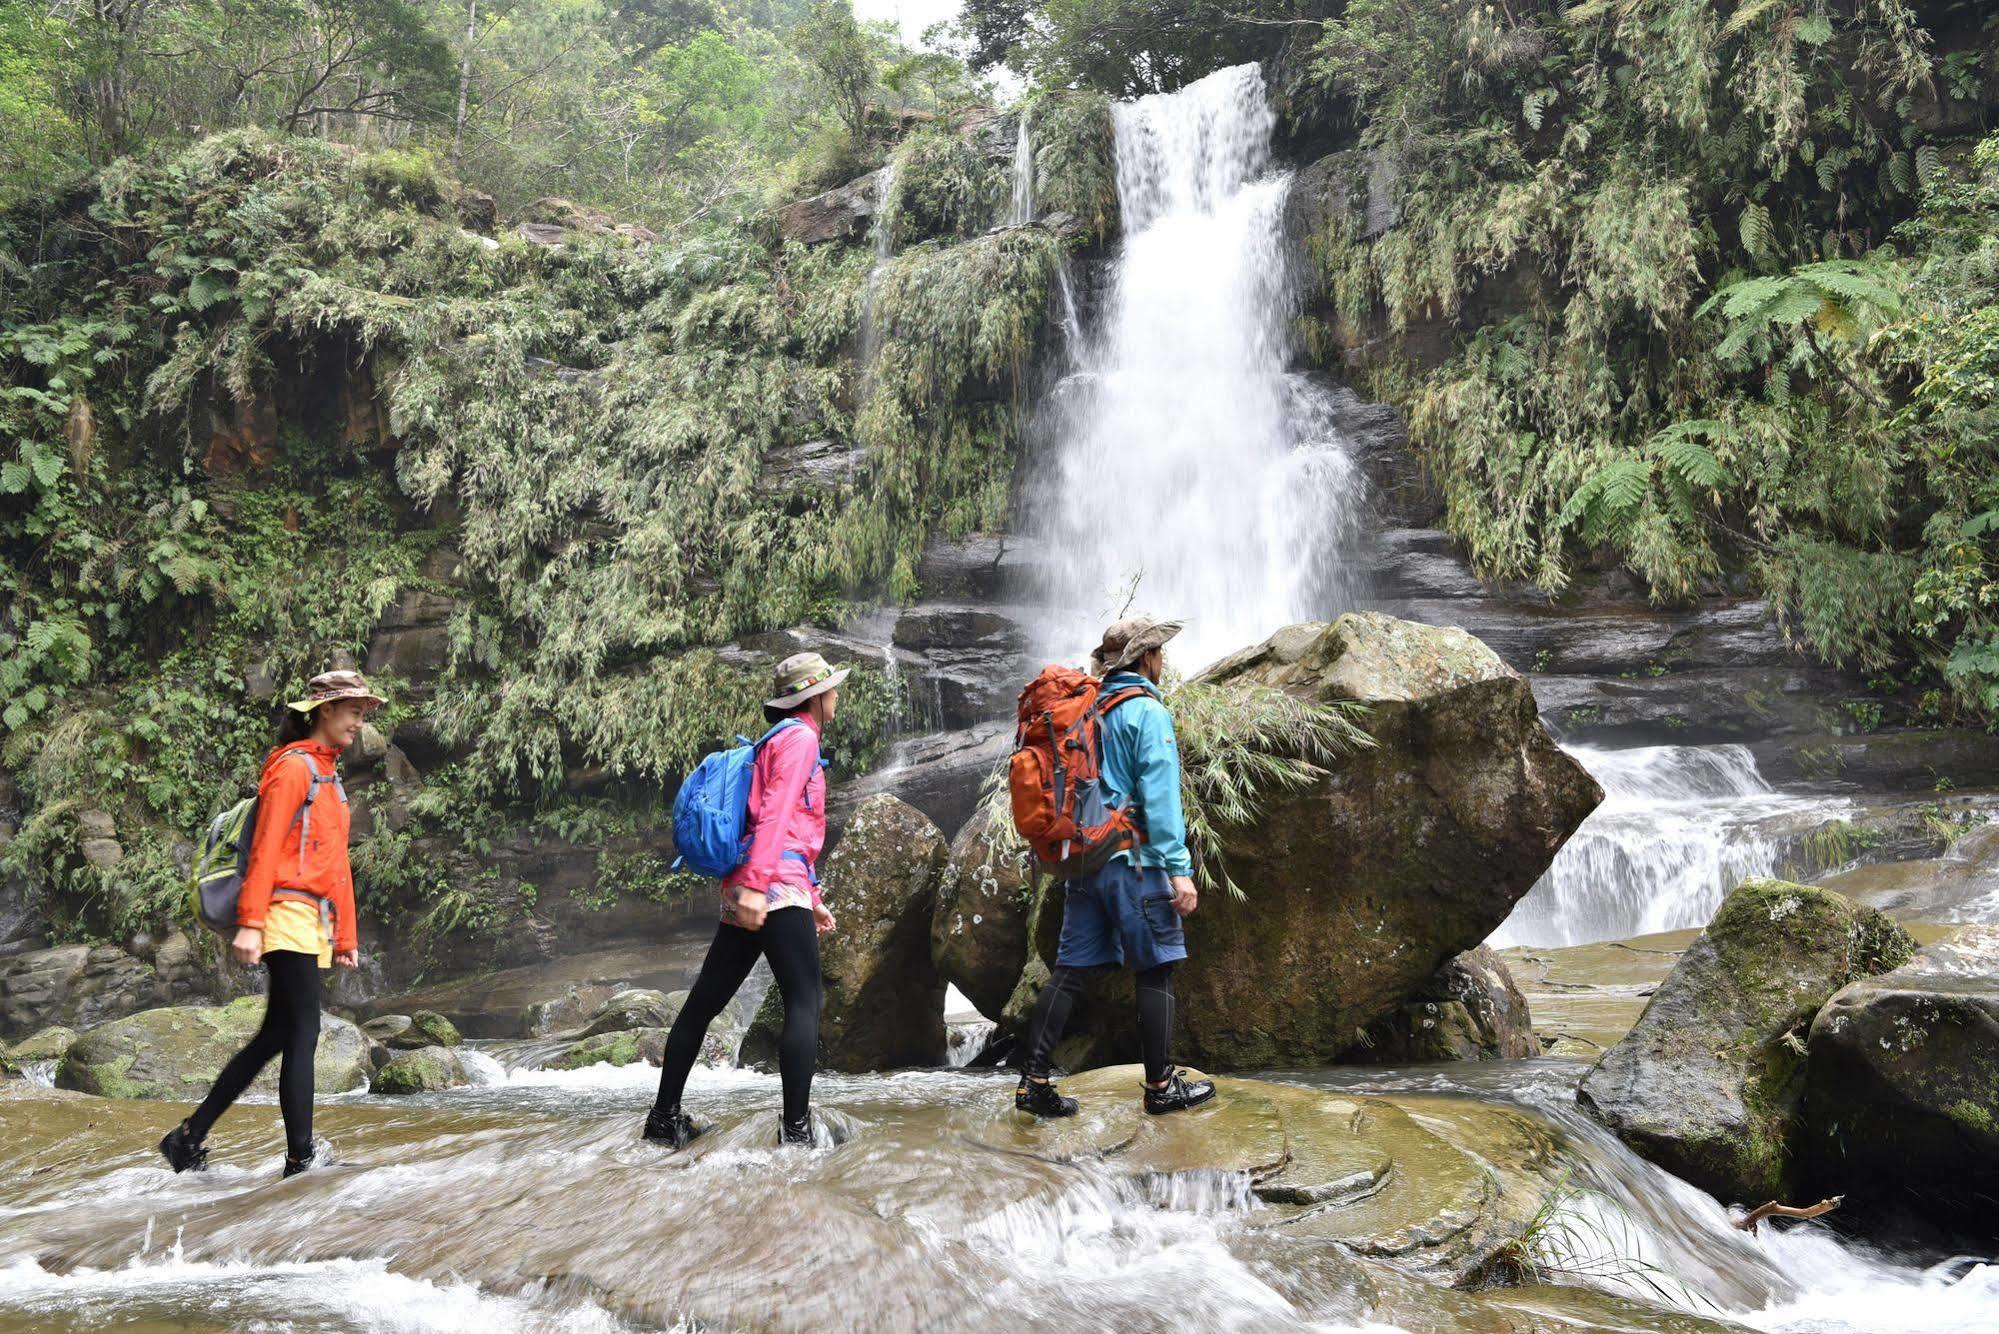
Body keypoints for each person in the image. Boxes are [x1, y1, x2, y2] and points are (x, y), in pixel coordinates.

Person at [158, 669, 379, 1178]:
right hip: (283, 913)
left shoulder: (330, 777)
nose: (359, 722)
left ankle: (187, 1137)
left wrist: (345, 935)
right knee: (305, 1029)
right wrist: (252, 921)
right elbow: (265, 848)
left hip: (310, 917)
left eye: (363, 713)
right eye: (353, 712)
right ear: (325, 710)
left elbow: (337, 863)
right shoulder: (294, 769)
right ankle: (300, 1157)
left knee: (275, 1036)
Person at [1015, 615, 1216, 1118]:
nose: (1162, 660)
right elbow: (1160, 794)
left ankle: (1033, 1084)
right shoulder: (1146, 711)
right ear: (1146, 659)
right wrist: (1178, 868)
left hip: (1086, 863)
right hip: (1134, 862)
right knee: (1155, 968)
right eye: (1159, 652)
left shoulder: (1086, 706)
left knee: (1070, 972)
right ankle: (1160, 1087)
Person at [645, 651, 846, 1149]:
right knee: (805, 1001)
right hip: (769, 884)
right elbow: (777, 816)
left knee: (703, 1004)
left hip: (754, 884)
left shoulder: (772, 741)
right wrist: (762, 885)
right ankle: (796, 1133)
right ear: (815, 697)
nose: (837, 696)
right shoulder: (800, 738)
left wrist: (811, 896)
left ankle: (663, 1118)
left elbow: (790, 824)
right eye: (833, 688)